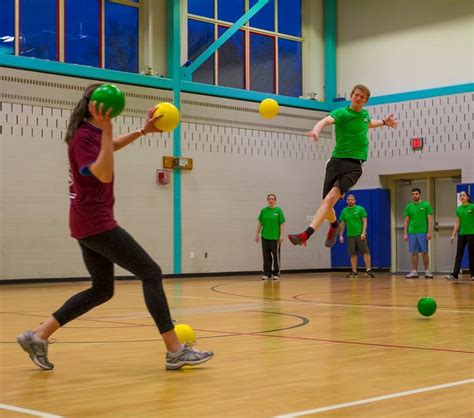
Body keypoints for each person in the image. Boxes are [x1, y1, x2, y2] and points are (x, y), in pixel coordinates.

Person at [16, 84, 213, 371]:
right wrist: (108, 131)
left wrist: (142, 132)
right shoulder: (85, 137)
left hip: (85, 221)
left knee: (102, 289)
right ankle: (174, 350)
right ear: (101, 107)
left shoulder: (91, 132)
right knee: (150, 272)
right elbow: (103, 173)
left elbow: (110, 147)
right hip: (96, 223)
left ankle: (38, 335)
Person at [288, 84, 398, 248]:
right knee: (326, 205)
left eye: (362, 97)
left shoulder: (365, 115)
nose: (358, 98)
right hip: (335, 163)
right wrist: (316, 130)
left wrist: (383, 122)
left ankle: (305, 235)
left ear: (365, 101)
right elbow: (326, 120)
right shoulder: (341, 113)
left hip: (354, 165)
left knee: (331, 199)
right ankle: (334, 226)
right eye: (356, 95)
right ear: (351, 95)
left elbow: (368, 123)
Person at [338, 194, 374, 278]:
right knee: (352, 254)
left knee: (365, 252)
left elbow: (365, 221)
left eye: (352, 199)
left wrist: (363, 232)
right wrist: (341, 235)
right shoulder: (344, 211)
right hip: (350, 235)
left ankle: (368, 270)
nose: (350, 201)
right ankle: (354, 271)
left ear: (355, 201)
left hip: (360, 235)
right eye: (349, 200)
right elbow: (342, 224)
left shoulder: (360, 209)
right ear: (346, 201)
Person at [403, 188, 434, 279]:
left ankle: (427, 271)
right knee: (414, 252)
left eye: (416, 194)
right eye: (413, 194)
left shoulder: (426, 205)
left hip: (422, 232)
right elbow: (406, 221)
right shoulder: (409, 207)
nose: (415, 195)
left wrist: (429, 232)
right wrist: (405, 233)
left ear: (419, 194)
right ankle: (414, 271)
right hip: (412, 232)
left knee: (424, 252)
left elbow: (429, 219)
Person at [445, 190, 474, 281]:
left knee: (472, 254)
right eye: (460, 195)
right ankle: (455, 274)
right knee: (459, 254)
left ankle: (473, 274)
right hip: (462, 233)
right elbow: (457, 223)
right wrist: (453, 235)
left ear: (468, 197)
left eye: (464, 195)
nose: (462, 197)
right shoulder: (458, 209)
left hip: (472, 233)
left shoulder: (472, 207)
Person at [255, 194, 286, 280]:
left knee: (275, 256)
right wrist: (257, 233)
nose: (271, 201)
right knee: (266, 256)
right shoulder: (263, 211)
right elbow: (260, 223)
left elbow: (281, 224)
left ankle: (276, 273)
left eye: (272, 199)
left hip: (275, 238)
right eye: (269, 199)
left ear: (275, 200)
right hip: (265, 237)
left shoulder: (278, 211)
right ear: (267, 200)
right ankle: (267, 273)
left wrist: (281, 235)